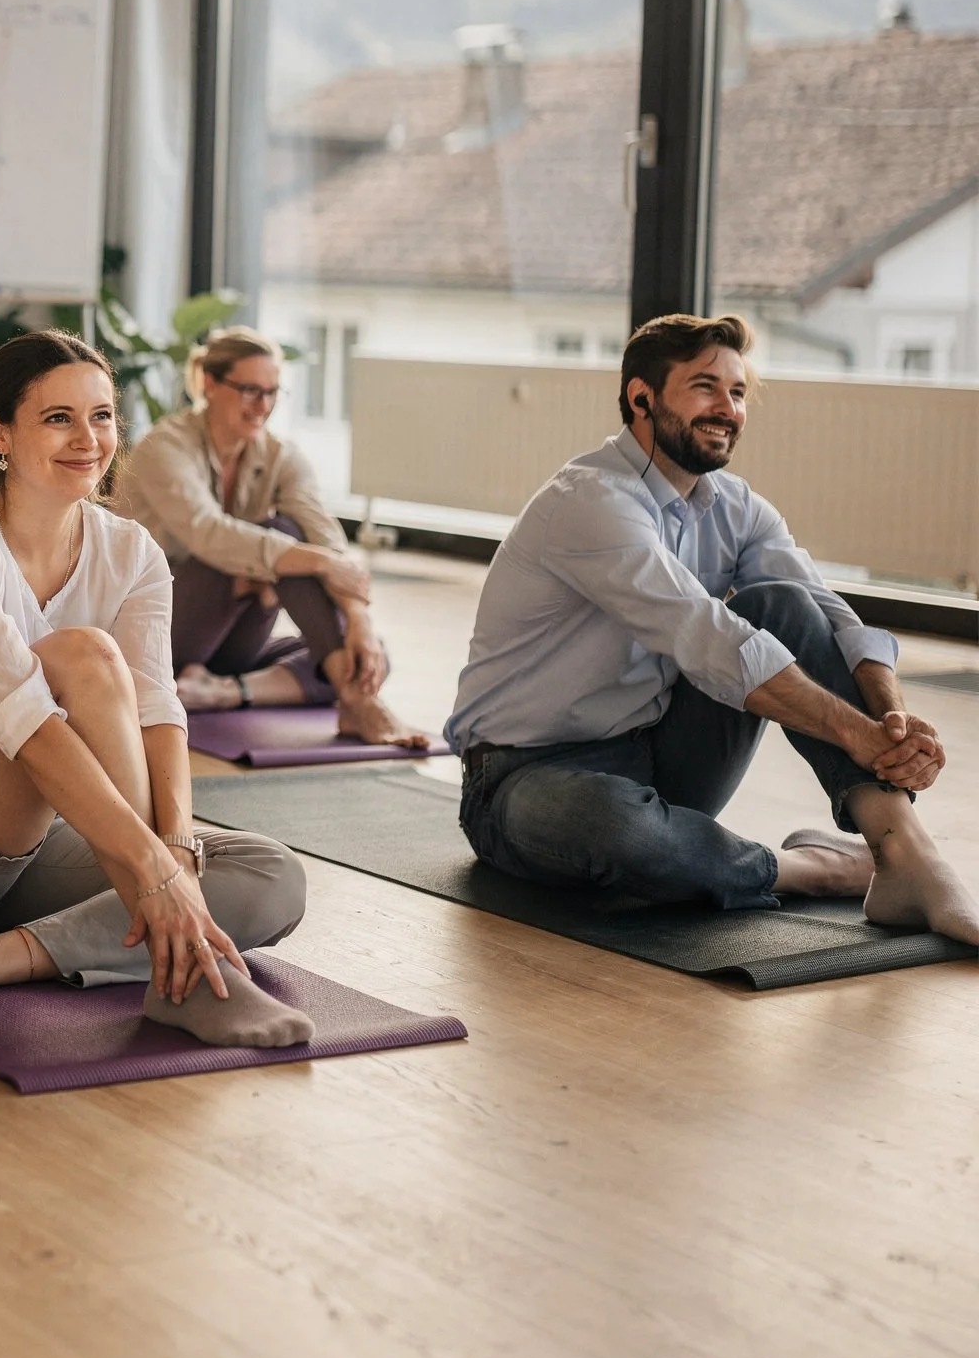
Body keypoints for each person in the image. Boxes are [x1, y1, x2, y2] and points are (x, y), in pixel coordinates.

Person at [0, 330, 314, 1048]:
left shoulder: (131, 550)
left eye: (103, 416)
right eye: (59, 418)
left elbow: (157, 709)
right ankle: (189, 967)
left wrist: (172, 856)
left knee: (271, 875)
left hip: (36, 835)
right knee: (80, 657)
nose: (89, 438)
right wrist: (154, 874)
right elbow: (24, 723)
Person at [448, 312, 979, 941]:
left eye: (737, 392)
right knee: (622, 831)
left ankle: (908, 856)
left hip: (661, 751)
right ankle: (818, 869)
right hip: (523, 779)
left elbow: (825, 614)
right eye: (705, 386)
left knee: (779, 600)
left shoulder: (736, 505)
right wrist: (858, 736)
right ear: (641, 397)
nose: (727, 407)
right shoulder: (589, 501)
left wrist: (889, 720)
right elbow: (706, 637)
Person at [112, 325, 426, 747]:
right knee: (284, 539)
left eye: (273, 392)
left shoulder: (281, 455)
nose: (264, 405)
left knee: (368, 657)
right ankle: (356, 701)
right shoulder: (163, 447)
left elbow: (327, 540)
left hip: (227, 648)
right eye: (250, 390)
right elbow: (209, 535)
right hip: (159, 634)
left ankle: (220, 692)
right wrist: (311, 562)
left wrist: (359, 620)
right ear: (210, 383)